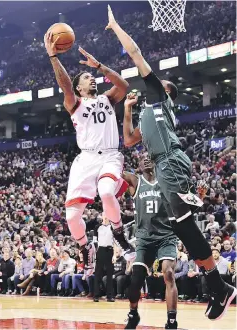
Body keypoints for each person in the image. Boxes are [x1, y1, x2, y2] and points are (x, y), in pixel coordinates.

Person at [107, 6, 237, 320]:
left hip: (170, 162)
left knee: (182, 224)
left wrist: (116, 26)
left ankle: (218, 286)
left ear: (166, 92)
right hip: (164, 165)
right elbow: (128, 141)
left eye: (160, 82)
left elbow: (136, 54)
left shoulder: (160, 98)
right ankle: (218, 286)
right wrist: (127, 110)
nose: (154, 82)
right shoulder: (149, 112)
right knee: (183, 225)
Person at [43, 30, 134, 261]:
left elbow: (123, 85)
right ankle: (84, 247)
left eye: (90, 76)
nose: (90, 78)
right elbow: (65, 86)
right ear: (79, 88)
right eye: (85, 78)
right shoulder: (75, 103)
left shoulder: (107, 99)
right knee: (72, 217)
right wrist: (54, 57)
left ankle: (119, 233)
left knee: (105, 192)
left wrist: (100, 67)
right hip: (86, 159)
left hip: (110, 156)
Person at [121, 157, 179, 329]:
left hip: (166, 236)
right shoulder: (135, 181)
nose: (146, 160)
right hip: (144, 239)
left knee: (168, 272)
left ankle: (171, 321)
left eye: (149, 158)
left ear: (155, 162)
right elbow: (115, 173)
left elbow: (183, 196)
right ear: (138, 165)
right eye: (142, 159)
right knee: (136, 277)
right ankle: (133, 314)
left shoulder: (165, 181)